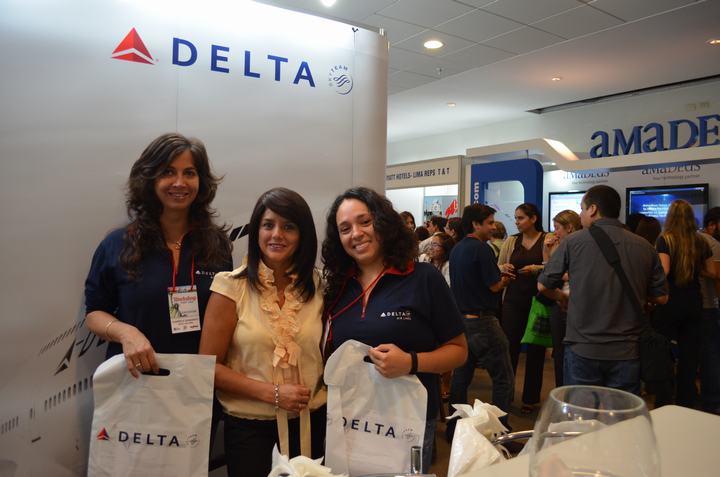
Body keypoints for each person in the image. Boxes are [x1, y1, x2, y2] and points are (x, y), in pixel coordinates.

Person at [322, 187, 467, 472]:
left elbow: (459, 351)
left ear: (383, 222)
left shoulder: (423, 278)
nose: (356, 233)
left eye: (365, 222)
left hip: (407, 421)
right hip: (347, 420)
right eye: (345, 228)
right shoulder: (337, 287)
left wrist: (411, 362)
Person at [198, 188, 327, 477]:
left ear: (303, 235)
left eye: (289, 227)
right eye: (268, 225)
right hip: (251, 431)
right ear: (256, 231)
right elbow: (208, 368)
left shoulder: (317, 285)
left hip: (311, 423)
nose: (277, 234)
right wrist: (274, 393)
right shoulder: (230, 286)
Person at [84, 133, 232, 376]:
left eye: (189, 173)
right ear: (150, 178)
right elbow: (94, 313)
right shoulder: (118, 244)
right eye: (168, 172)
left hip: (195, 385)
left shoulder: (217, 246)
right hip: (135, 382)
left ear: (201, 181)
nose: (179, 183)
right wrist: (126, 333)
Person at [538, 185, 668, 395]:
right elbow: (662, 297)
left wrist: (562, 297)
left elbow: (543, 285)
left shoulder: (573, 242)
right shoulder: (644, 246)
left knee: (582, 412)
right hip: (627, 350)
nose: (580, 214)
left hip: (583, 347)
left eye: (582, 208)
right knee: (620, 412)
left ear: (593, 209)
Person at [447, 204, 515, 440]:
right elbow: (494, 286)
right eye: (489, 222)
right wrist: (505, 280)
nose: (493, 226)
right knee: (504, 379)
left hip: (461, 323)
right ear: (476, 224)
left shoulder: (457, 249)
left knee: (461, 378)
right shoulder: (482, 249)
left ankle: (454, 429)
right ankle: (500, 433)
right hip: (484, 322)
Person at [653, 200, 714, 408]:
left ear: (670, 217)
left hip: (670, 303)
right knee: (690, 356)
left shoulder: (665, 239)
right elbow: (712, 272)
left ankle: (664, 400)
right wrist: (693, 269)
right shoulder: (701, 241)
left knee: (664, 353)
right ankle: (686, 400)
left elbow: (665, 270)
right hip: (694, 303)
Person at [497, 203, 546, 414]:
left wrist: (536, 269)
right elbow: (498, 265)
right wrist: (504, 267)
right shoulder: (511, 241)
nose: (516, 222)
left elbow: (553, 267)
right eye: (516, 218)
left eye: (521, 218)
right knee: (509, 349)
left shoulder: (547, 239)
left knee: (536, 350)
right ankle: (505, 395)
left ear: (533, 218)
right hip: (513, 300)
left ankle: (530, 398)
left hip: (538, 301)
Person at [542, 210, 582, 387]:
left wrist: (562, 275)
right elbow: (549, 274)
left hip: (575, 304)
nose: (555, 232)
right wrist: (547, 252)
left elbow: (551, 277)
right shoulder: (560, 247)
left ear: (570, 227)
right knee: (559, 353)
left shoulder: (580, 246)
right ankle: (562, 391)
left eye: (557, 228)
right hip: (559, 305)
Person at [699, 207, 720, 413]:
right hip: (710, 305)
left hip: (693, 304)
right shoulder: (712, 244)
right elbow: (716, 275)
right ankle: (712, 402)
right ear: (712, 225)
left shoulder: (686, 240)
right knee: (712, 354)